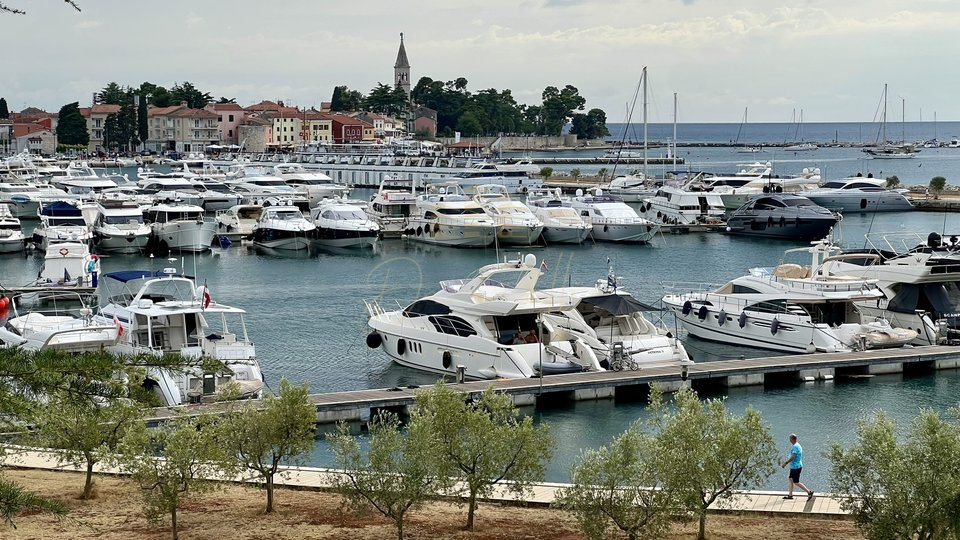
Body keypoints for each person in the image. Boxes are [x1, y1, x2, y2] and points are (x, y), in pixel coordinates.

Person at [781, 433, 814, 500]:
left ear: (792, 439)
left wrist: (786, 463)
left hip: (796, 467)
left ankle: (809, 492)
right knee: (791, 479)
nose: (789, 440)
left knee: (796, 481)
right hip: (795, 466)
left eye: (790, 439)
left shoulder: (795, 447)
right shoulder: (797, 445)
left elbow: (793, 456)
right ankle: (790, 495)